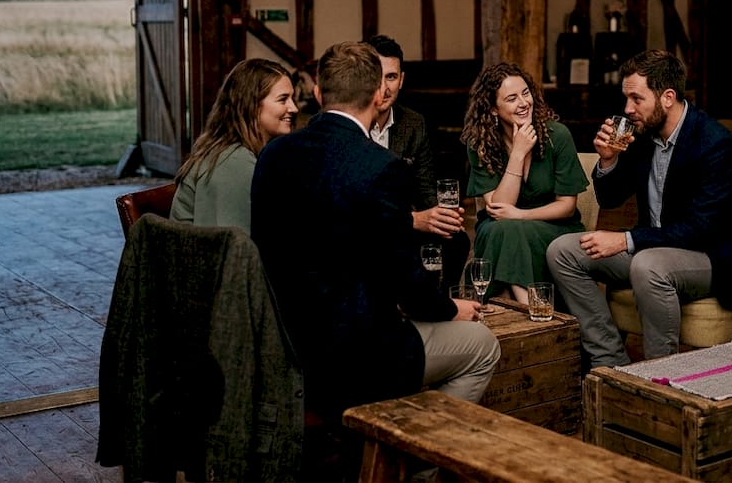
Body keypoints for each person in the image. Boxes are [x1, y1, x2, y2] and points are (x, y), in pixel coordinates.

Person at [250, 42, 500, 427]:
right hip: (358, 351)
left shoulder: (273, 154)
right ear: (377, 96)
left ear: (318, 94)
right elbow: (405, 279)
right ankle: (408, 450)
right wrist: (452, 310)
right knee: (483, 346)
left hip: (287, 339)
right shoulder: (381, 166)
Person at [546, 50, 732, 365]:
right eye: (626, 98)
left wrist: (625, 240)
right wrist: (608, 160)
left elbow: (701, 228)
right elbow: (610, 199)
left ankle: (660, 374)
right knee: (563, 251)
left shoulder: (714, 141)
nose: (627, 108)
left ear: (667, 97)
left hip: (713, 257)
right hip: (654, 248)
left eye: (636, 98)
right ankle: (610, 360)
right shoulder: (643, 135)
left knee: (647, 265)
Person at [462, 62, 589, 304]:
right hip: (500, 229)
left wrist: (520, 215)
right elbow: (498, 207)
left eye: (525, 93)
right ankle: (531, 306)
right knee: (500, 229)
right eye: (512, 98)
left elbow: (566, 206)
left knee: (504, 230)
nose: (523, 103)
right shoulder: (480, 143)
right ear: (493, 109)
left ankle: (511, 306)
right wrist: (518, 154)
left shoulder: (557, 135)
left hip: (553, 228)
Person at [365, 35, 470, 290]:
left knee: (457, 239)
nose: (384, 87)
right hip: (366, 224)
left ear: (401, 80)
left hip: (406, 221)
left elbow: (424, 187)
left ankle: (444, 302)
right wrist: (412, 219)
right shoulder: (351, 123)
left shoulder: (413, 123)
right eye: (376, 76)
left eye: (391, 77)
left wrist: (441, 215)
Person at [170, 58, 297, 234]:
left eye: (292, 98)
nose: (294, 108)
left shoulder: (249, 153)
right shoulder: (232, 161)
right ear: (252, 104)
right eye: (283, 100)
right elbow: (229, 244)